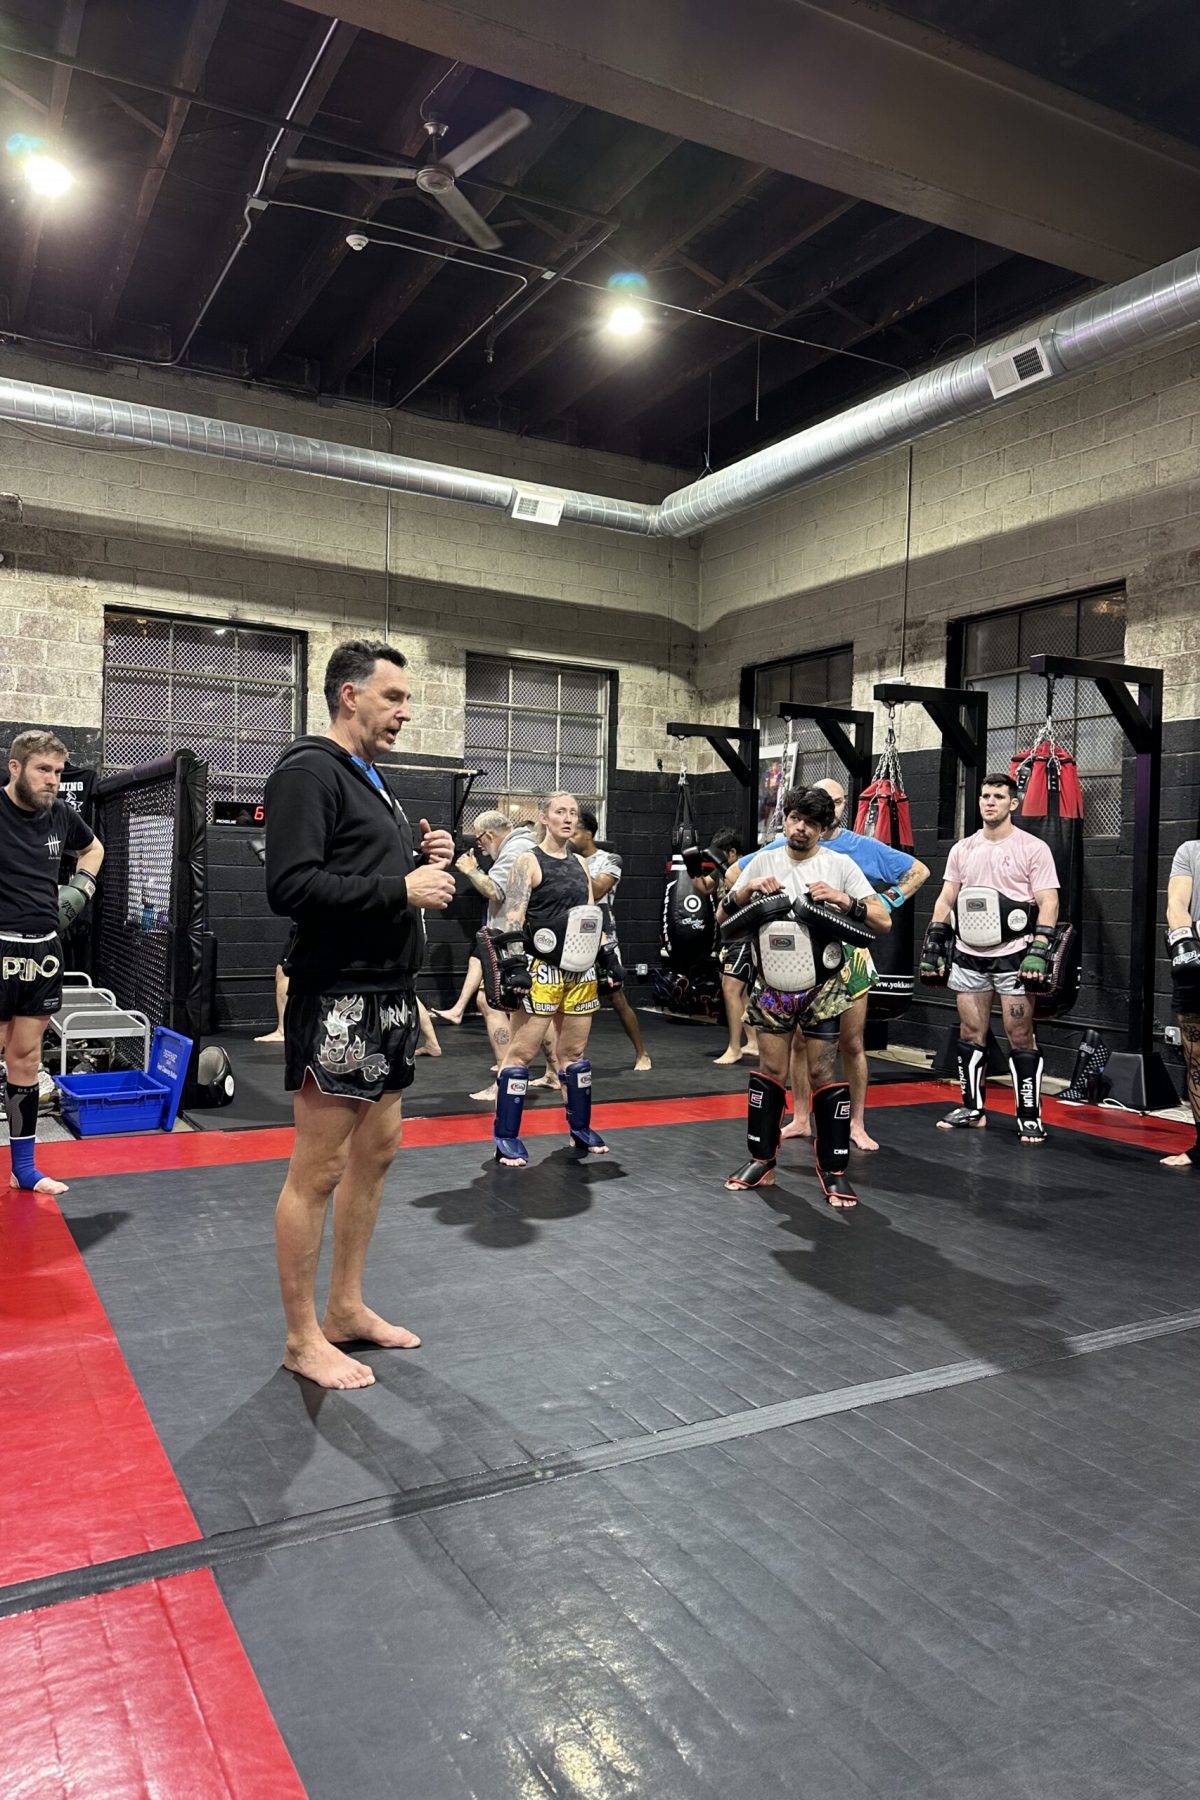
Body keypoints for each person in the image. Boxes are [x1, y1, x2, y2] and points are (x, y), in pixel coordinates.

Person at [264, 639, 456, 1391]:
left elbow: (356, 867)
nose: (404, 712)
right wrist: (400, 890)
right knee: (319, 1169)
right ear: (350, 695)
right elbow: (292, 885)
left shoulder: (368, 776)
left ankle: (344, 1308)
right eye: (393, 697)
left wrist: (418, 854)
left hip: (387, 990)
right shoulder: (308, 769)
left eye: (406, 699)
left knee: (377, 1152)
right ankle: (300, 1336)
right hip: (340, 993)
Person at [720, 786, 890, 1207]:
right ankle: (762, 1161)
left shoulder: (840, 864)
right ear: (786, 818)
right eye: (795, 819)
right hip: (773, 987)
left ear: (823, 827)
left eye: (811, 823)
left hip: (823, 988)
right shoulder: (763, 860)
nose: (801, 828)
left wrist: (842, 899)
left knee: (822, 1075)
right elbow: (723, 916)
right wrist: (746, 890)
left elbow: (882, 921)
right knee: (770, 1069)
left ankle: (834, 1173)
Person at [779, 777, 929, 1151]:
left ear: (844, 807)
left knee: (852, 1043)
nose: (830, 808)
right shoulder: (786, 844)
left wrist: (885, 900)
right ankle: (800, 1117)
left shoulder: (858, 849)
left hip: (850, 957)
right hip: (801, 955)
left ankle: (857, 1124)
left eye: (838, 802)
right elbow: (738, 875)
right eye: (822, 801)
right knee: (799, 1042)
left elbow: (919, 872)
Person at [920, 772, 1059, 1145]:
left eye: (998, 796)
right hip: (968, 955)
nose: (990, 802)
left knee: (1019, 1034)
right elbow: (948, 896)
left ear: (1013, 804)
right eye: (984, 796)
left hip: (1014, 955)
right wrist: (935, 937)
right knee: (970, 1033)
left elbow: (1048, 900)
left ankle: (1028, 1114)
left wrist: (1040, 947)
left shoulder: (1033, 848)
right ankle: (972, 1108)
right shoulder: (963, 849)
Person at [1, 729, 104, 1196]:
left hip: (42, 951)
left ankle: (24, 1170)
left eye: (59, 772)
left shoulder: (61, 815)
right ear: (16, 767)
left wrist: (81, 886)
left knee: (25, 1058)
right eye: (44, 770)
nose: (53, 781)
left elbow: (93, 848)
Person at [486, 791, 608, 1168]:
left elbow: (590, 916)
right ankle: (507, 1137)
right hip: (542, 970)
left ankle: (581, 1128)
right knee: (520, 1054)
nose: (568, 818)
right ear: (545, 817)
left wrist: (608, 956)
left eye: (573, 813)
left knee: (573, 1056)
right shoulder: (529, 860)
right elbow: (513, 918)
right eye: (560, 812)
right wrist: (516, 966)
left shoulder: (581, 864)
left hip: (580, 970)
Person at [457, 810, 560, 1102]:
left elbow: (495, 890)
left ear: (488, 835)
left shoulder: (514, 849)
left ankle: (505, 1078)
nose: (479, 846)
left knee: (489, 1002)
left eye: (479, 840)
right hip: (530, 940)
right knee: (534, 1008)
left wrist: (470, 870)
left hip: (512, 941)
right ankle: (554, 1072)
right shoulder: (529, 844)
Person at [572, 810, 652, 1070]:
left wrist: (573, 866)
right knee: (569, 998)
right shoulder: (564, 859)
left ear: (588, 833)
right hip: (572, 932)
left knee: (616, 998)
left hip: (602, 932)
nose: (569, 838)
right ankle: (566, 1061)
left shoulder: (610, 860)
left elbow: (596, 891)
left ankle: (642, 1053)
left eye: (573, 832)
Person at [686, 829, 757, 1065]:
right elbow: (704, 887)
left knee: (730, 989)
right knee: (741, 993)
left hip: (744, 937)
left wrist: (722, 865)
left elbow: (741, 885)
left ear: (732, 853)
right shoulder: (720, 870)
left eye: (718, 855)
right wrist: (693, 866)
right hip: (727, 937)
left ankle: (734, 1048)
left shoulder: (748, 868)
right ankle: (754, 1043)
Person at [1161, 836, 1200, 1169]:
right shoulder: (1191, 851)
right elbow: (1176, 903)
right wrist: (1185, 945)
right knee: (1198, 1059)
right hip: (1196, 961)